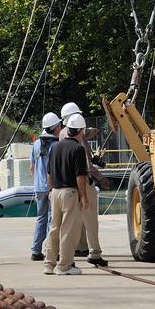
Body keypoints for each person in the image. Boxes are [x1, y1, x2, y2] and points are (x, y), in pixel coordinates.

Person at [43, 112, 91, 275]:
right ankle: (64, 266)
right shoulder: (78, 149)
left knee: (54, 228)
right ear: (80, 131)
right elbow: (80, 176)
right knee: (68, 230)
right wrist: (84, 197)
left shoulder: (55, 146)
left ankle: (49, 264)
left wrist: (50, 190)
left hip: (55, 192)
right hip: (70, 193)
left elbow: (48, 173)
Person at [60, 102, 107, 267]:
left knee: (73, 219)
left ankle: (78, 248)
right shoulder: (78, 139)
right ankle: (94, 252)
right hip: (83, 181)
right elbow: (85, 164)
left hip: (68, 183)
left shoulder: (63, 135)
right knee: (90, 218)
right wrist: (100, 177)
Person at [30, 111, 62, 262]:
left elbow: (32, 168)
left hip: (38, 187)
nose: (61, 127)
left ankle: (36, 250)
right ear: (54, 128)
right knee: (52, 219)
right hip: (51, 187)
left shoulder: (36, 144)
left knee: (40, 218)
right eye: (59, 126)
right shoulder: (56, 145)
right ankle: (51, 251)